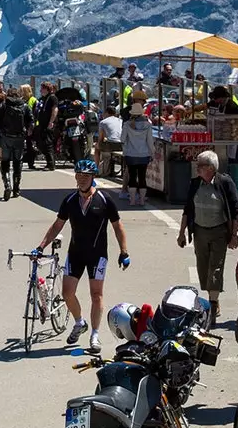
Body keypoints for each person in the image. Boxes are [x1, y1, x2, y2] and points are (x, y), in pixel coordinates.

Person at [33, 160, 130, 353]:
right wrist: (41, 246)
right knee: (67, 293)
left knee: (96, 295)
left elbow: (117, 227)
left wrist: (123, 251)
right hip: (76, 253)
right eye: (79, 175)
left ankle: (94, 334)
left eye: (86, 176)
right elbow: (57, 225)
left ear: (93, 178)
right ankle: (79, 323)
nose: (81, 179)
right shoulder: (69, 201)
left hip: (98, 254)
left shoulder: (104, 199)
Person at [177, 150, 238, 321]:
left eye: (201, 166)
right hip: (199, 231)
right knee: (203, 269)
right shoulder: (195, 183)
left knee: (216, 267)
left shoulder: (225, 183)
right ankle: (212, 295)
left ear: (211, 168)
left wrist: (234, 235)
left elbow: (235, 211)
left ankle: (213, 302)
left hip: (219, 231)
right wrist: (182, 233)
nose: (197, 169)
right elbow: (187, 210)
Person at [0, 85, 33, 201]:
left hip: (6, 138)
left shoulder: (3, 105)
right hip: (19, 138)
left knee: (4, 162)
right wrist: (28, 132)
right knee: (17, 162)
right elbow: (31, 120)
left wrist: (0, 132)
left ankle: (7, 185)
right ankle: (16, 189)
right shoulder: (24, 106)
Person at [120, 104, 155, 207]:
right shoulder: (148, 125)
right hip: (144, 155)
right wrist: (152, 152)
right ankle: (142, 200)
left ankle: (132, 200)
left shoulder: (127, 124)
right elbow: (150, 141)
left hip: (130, 154)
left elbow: (122, 139)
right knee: (142, 177)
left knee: (132, 177)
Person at [95, 104, 122, 186]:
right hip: (121, 145)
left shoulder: (103, 122)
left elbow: (101, 138)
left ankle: (96, 169)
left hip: (111, 145)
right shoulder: (121, 121)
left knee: (97, 147)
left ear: (107, 113)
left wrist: (98, 144)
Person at [36, 82, 59, 171]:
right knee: (40, 143)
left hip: (48, 124)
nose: (40, 90)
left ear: (47, 89)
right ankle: (48, 162)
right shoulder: (43, 98)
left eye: (42, 88)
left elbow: (55, 110)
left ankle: (51, 164)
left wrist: (51, 121)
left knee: (48, 143)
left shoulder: (52, 98)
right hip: (41, 124)